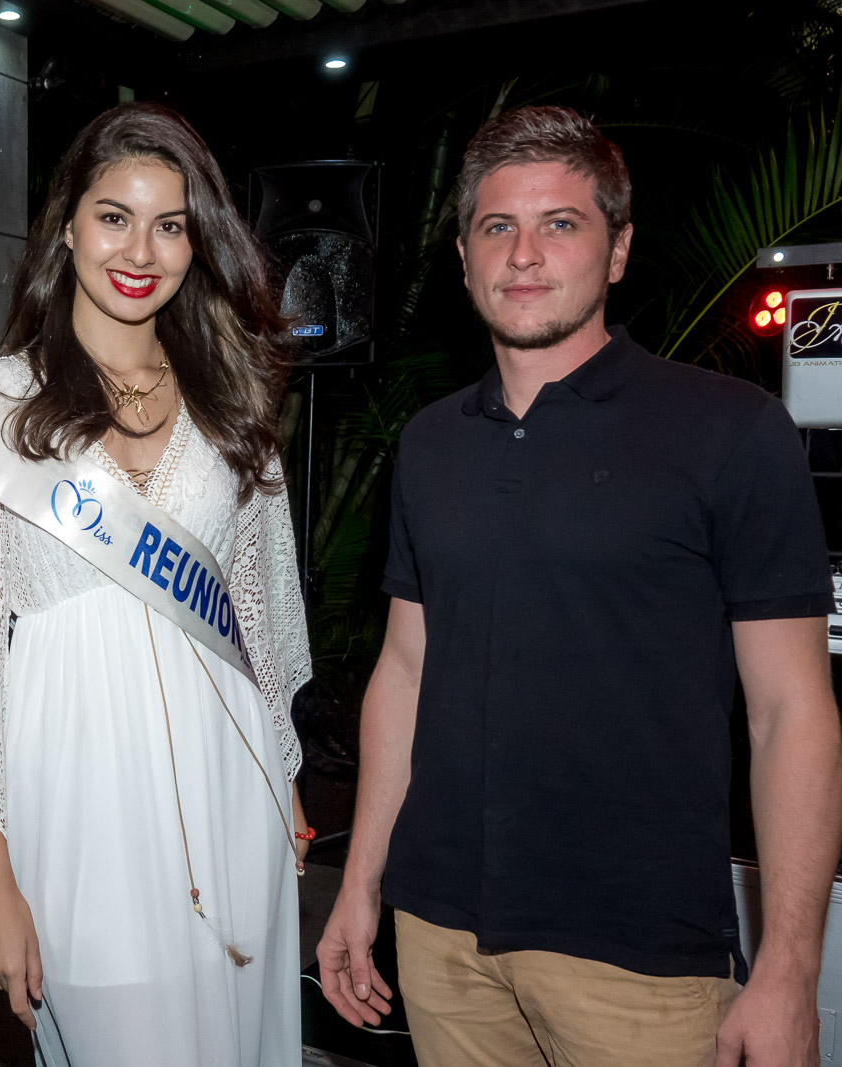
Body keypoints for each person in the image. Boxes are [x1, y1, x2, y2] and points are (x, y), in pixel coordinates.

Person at [316, 105, 842, 1067]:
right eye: (497, 227)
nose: (524, 254)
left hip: (640, 959)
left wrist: (789, 970)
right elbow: (404, 668)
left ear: (618, 250)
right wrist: (363, 885)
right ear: (466, 257)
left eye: (561, 223)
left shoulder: (729, 430)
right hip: (442, 939)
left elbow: (790, 712)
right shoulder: (430, 444)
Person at [0, 102, 313, 1067]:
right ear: (68, 226)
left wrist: (284, 774)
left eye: (170, 224)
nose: (142, 249)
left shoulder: (232, 403)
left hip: (231, 788)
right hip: (78, 792)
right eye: (114, 215)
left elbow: (260, 609)